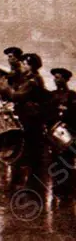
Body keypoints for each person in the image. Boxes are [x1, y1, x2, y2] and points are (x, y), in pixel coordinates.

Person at [0, 52, 48, 185]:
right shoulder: (28, 78)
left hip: (31, 119)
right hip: (27, 117)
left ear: (31, 67)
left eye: (25, 64)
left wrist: (6, 88)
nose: (22, 65)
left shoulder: (32, 81)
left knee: (30, 149)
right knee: (27, 149)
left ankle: (31, 182)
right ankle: (28, 180)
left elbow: (18, 96)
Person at [49, 68, 76, 202]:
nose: (55, 80)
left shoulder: (72, 96)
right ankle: (57, 190)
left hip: (68, 134)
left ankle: (67, 191)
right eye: (55, 78)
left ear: (65, 79)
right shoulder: (52, 95)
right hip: (54, 134)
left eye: (58, 78)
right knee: (55, 163)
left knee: (67, 163)